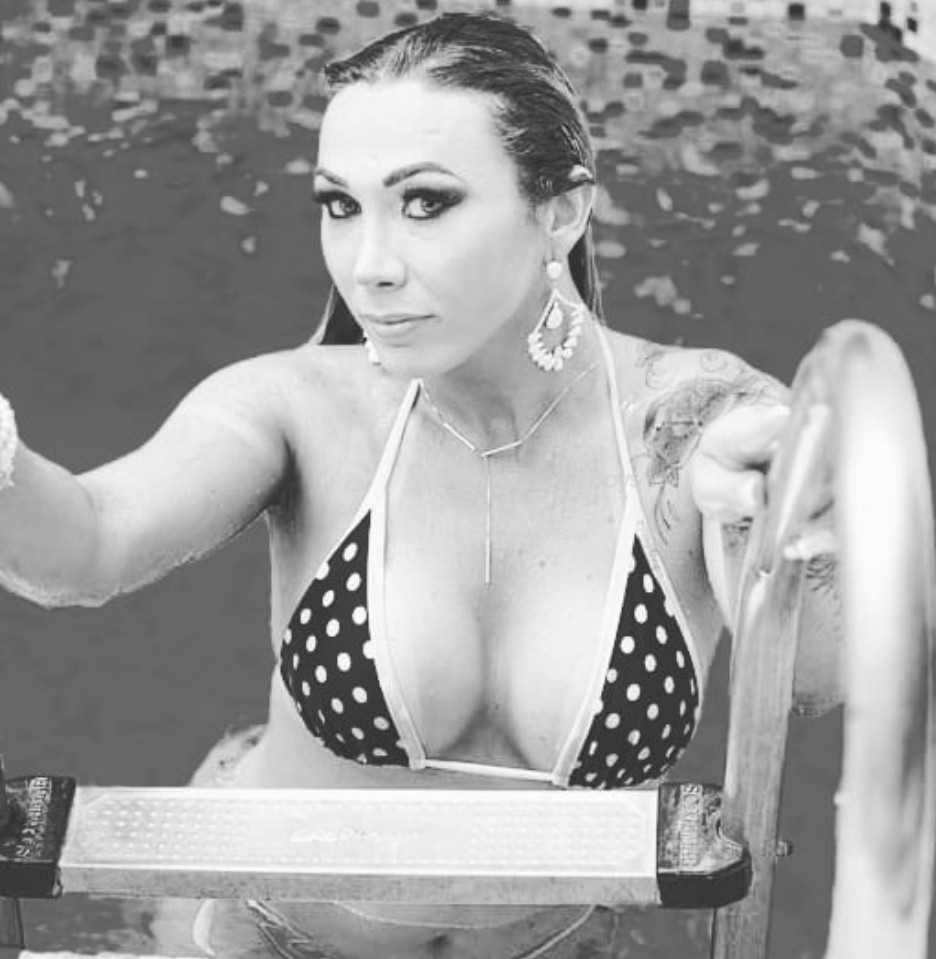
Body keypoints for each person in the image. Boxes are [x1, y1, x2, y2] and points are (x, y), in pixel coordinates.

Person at [0, 12, 840, 958]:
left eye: (426, 202)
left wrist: (788, 530)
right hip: (261, 930)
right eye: (340, 205)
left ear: (562, 210)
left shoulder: (687, 426)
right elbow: (87, 546)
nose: (369, 266)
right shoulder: (296, 408)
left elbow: (820, 680)